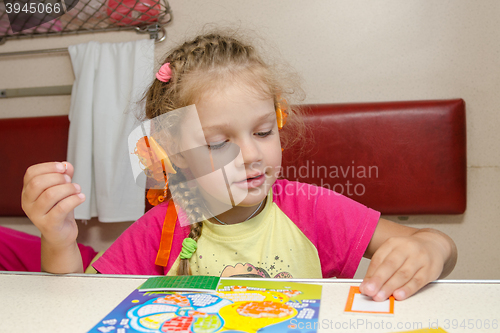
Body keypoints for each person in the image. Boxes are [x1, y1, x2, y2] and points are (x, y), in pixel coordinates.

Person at [21, 30, 457, 302]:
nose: (251, 155)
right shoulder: (163, 227)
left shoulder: (311, 209)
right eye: (216, 142)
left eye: (264, 132)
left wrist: (431, 249)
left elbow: (431, 242)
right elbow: (78, 303)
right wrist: (58, 238)